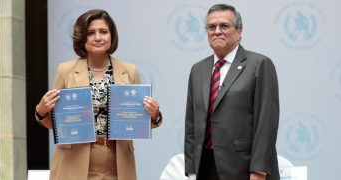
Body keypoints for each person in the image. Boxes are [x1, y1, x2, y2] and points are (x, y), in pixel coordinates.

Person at [35, 9, 162, 180]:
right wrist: (41, 111)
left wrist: (154, 115)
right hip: (74, 163)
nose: (98, 37)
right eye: (91, 33)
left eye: (103, 32)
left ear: (112, 35)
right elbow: (58, 124)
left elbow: (139, 121)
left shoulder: (129, 71)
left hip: (118, 163)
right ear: (82, 38)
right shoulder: (65, 70)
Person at [184, 4, 279, 180]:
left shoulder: (259, 65)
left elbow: (266, 123)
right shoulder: (198, 69)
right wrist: (191, 170)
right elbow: (191, 123)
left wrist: (258, 171)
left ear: (239, 31)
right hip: (205, 167)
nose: (217, 31)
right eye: (211, 27)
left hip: (244, 168)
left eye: (224, 26)